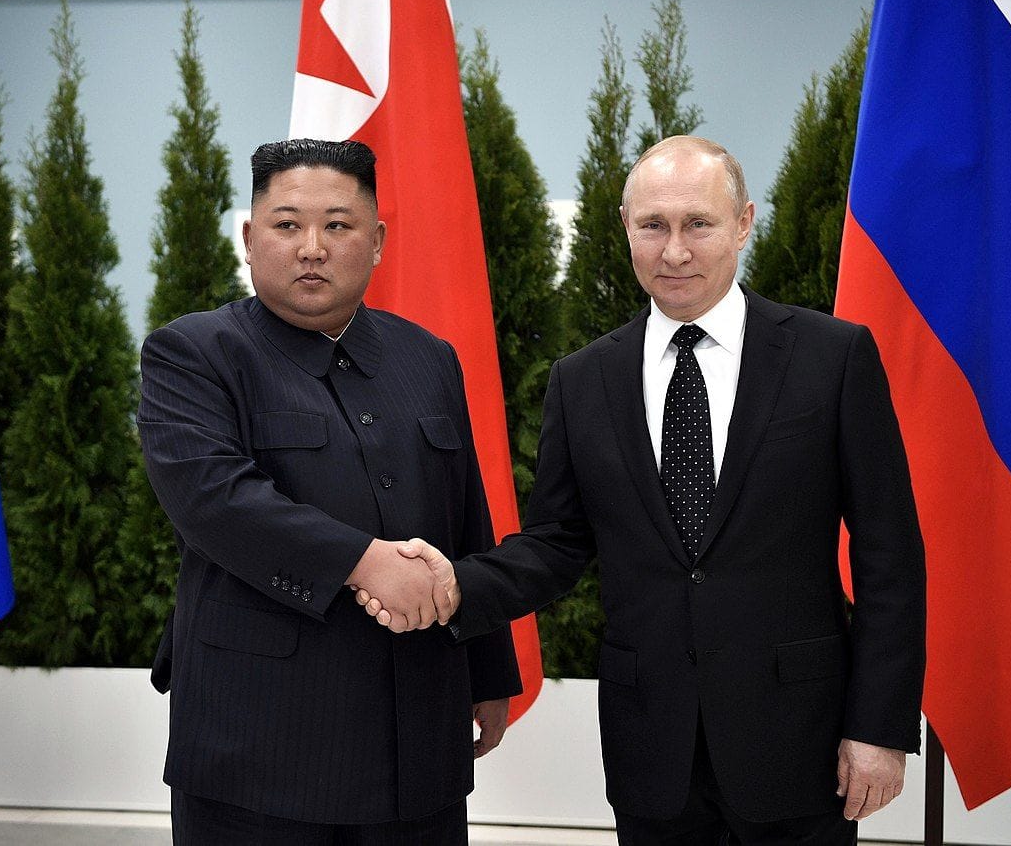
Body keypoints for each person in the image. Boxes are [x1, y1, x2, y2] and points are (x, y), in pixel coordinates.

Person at [359, 136, 926, 844]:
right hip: (653, 751)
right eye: (654, 225)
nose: (675, 251)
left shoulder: (833, 358)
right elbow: (557, 545)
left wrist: (879, 727)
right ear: (626, 227)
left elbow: (889, 557)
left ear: (744, 223)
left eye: (699, 224)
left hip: (800, 743)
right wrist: (453, 586)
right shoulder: (582, 379)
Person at [137, 138, 520, 844]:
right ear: (249, 238)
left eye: (338, 225)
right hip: (258, 745)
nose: (312, 247)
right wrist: (365, 562)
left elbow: (466, 515)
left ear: (377, 242)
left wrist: (489, 671)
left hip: (418, 737)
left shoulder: (429, 358)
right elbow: (216, 500)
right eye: (287, 224)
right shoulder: (193, 353)